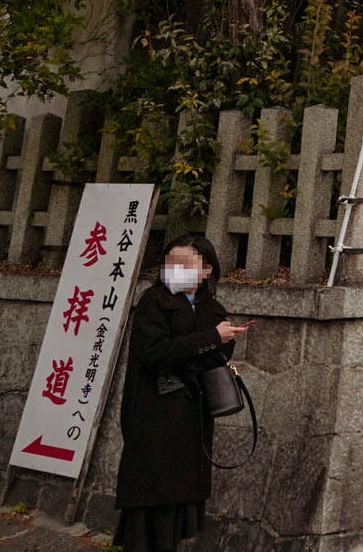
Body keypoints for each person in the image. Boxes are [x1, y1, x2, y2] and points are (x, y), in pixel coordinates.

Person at [114, 234, 251, 551]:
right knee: (151, 496)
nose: (176, 270)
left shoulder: (212, 307)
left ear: (206, 271)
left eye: (186, 264)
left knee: (179, 498)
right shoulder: (152, 302)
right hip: (154, 414)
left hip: (192, 418)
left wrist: (223, 340)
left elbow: (215, 355)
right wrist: (210, 338)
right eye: (170, 263)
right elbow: (154, 352)